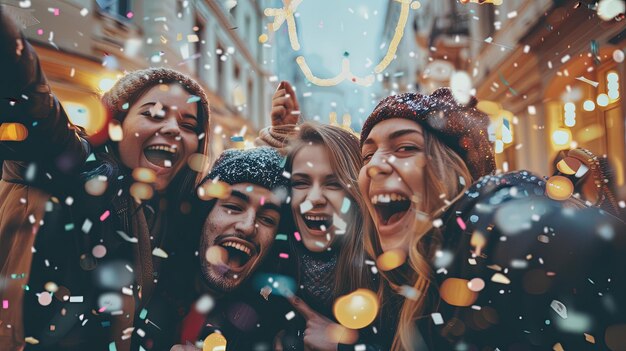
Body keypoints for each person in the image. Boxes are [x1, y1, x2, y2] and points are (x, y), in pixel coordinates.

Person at [0, 8, 211, 351]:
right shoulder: (75, 169)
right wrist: (11, 46)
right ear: (117, 126)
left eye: (189, 125)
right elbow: (28, 102)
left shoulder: (175, 220)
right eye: (153, 114)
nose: (173, 129)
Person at [358, 88, 626, 350]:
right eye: (367, 155)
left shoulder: (477, 225)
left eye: (405, 147)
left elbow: (541, 237)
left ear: (456, 172)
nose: (373, 166)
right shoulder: (397, 283)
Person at [258, 83, 380, 350]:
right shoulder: (270, 260)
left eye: (333, 184)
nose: (314, 198)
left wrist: (344, 346)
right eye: (301, 182)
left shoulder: (384, 275)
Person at [172, 146, 291, 351]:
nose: (247, 226)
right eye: (233, 207)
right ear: (204, 215)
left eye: (267, 219)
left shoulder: (272, 333)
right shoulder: (149, 289)